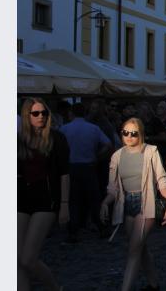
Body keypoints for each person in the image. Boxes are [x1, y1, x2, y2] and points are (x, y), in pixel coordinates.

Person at [100, 117, 166, 291]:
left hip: (146, 202)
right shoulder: (117, 156)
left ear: (141, 134)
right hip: (127, 205)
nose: (129, 136)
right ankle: (154, 285)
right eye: (125, 132)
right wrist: (105, 202)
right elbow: (113, 187)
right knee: (140, 247)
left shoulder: (151, 151)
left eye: (134, 133)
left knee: (133, 249)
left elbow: (161, 178)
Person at [18, 98, 70, 291]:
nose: (41, 116)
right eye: (36, 113)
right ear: (27, 116)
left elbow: (64, 173)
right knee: (16, 259)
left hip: (46, 199)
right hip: (21, 199)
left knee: (28, 259)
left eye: (44, 113)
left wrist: (64, 204)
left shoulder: (57, 138)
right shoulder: (19, 140)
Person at [59, 102, 112, 242]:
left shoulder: (64, 128)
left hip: (71, 167)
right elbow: (108, 144)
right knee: (94, 199)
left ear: (71, 113)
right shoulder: (93, 128)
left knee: (73, 200)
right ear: (85, 113)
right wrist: (97, 156)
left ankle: (73, 232)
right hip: (89, 167)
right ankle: (101, 227)